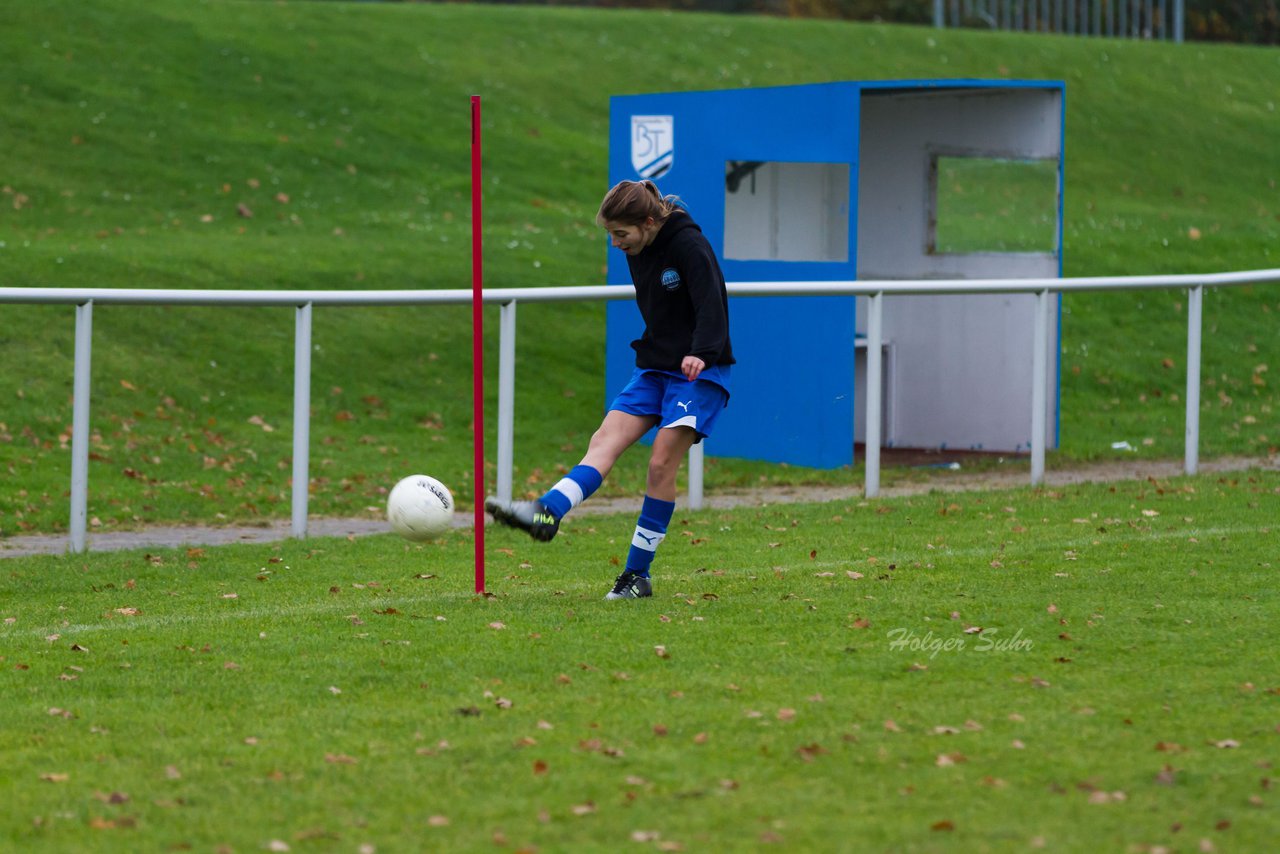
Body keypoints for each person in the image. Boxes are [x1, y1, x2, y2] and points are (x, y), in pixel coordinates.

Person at [485, 179, 734, 600]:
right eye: (610, 235)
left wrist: (703, 352)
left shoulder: (689, 245)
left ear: (651, 222)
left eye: (622, 234)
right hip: (656, 367)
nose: (616, 244)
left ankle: (637, 575)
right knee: (603, 441)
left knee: (659, 465)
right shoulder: (639, 246)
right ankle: (548, 511)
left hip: (698, 372)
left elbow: (713, 300)